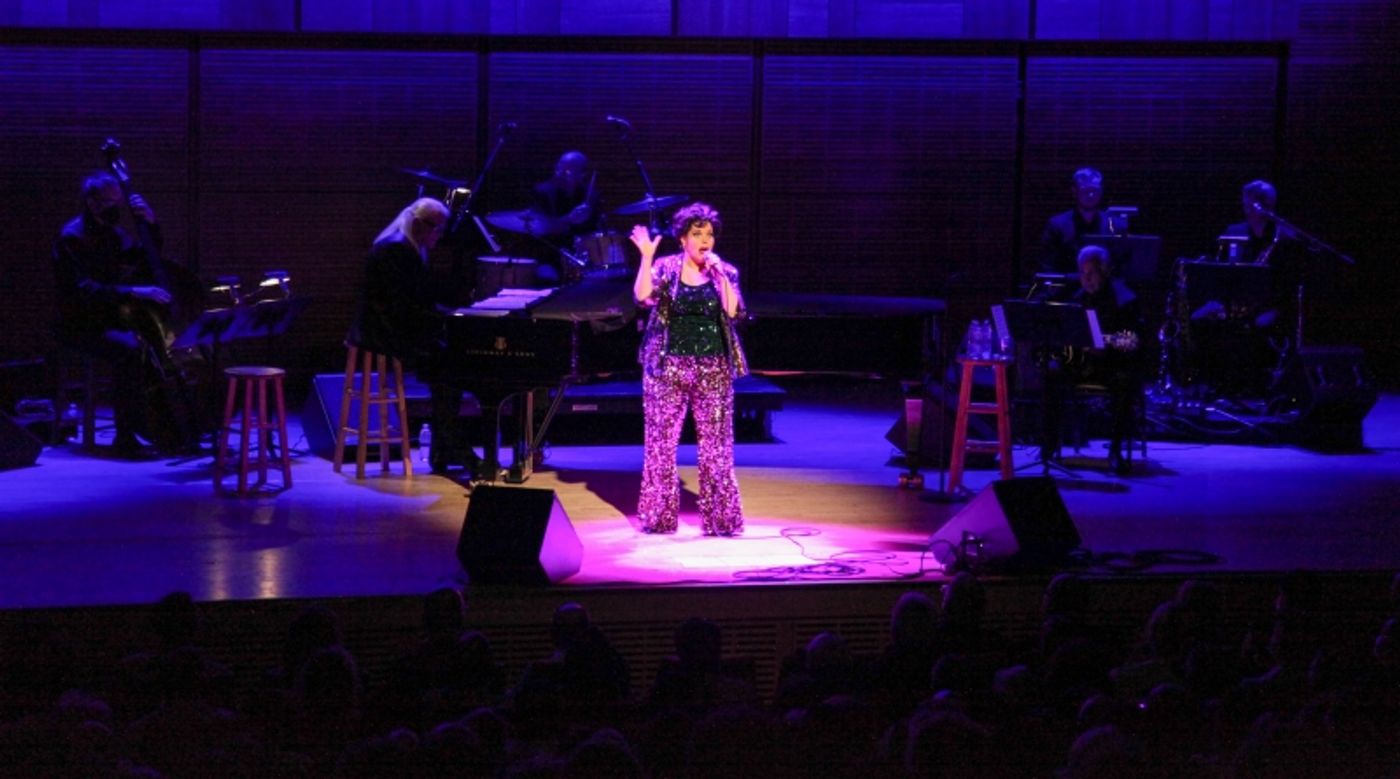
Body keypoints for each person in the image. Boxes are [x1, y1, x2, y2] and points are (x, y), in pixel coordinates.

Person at [629, 203, 745, 536]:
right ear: (683, 238)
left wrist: (721, 275)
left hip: (714, 368)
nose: (705, 239)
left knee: (717, 448)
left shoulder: (726, 272)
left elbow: (733, 312)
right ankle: (659, 517)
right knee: (661, 445)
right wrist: (647, 257)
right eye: (698, 233)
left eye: (709, 234)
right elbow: (642, 297)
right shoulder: (665, 268)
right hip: (667, 369)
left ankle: (721, 520)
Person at [347, 197, 479, 475]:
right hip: (383, 334)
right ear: (420, 224)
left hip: (395, 327)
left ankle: (445, 451)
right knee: (449, 366)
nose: (439, 236)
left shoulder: (407, 246)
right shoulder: (395, 250)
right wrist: (447, 319)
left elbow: (416, 302)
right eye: (437, 230)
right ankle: (454, 449)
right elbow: (401, 308)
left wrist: (450, 314)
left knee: (450, 365)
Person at [52, 171, 175, 457]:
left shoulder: (112, 233)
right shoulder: (72, 237)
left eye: (118, 200)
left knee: (146, 342)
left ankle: (155, 426)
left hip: (105, 318)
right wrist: (135, 292)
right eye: (110, 201)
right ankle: (125, 438)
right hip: (78, 325)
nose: (116, 206)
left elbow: (144, 257)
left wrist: (150, 222)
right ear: (92, 202)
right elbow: (83, 291)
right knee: (129, 350)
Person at [1072, 245, 1144, 475]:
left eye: (1091, 273)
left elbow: (1132, 342)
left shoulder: (1124, 300)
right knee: (1050, 374)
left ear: (1104, 271)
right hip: (1082, 364)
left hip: (1113, 364)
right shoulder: (1077, 300)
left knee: (1124, 383)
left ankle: (1116, 451)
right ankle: (1050, 449)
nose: (1086, 279)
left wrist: (1106, 346)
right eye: (1082, 274)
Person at [528, 150, 603, 284]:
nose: (561, 172)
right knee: (546, 277)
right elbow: (541, 229)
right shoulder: (543, 193)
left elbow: (595, 232)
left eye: (569, 169)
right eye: (560, 167)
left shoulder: (591, 196)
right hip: (551, 256)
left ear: (582, 174)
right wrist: (569, 219)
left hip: (582, 258)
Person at [1039, 168, 1108, 274]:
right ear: (1074, 191)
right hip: (1068, 287)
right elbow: (1048, 266)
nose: (1091, 195)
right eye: (1085, 190)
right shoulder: (1057, 226)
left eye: (1095, 190)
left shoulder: (1114, 225)